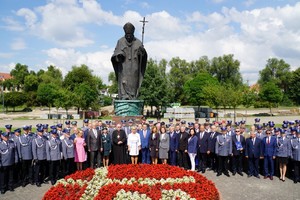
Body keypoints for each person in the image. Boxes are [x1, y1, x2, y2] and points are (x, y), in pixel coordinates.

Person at [111, 22, 147, 100]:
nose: (128, 36)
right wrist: (118, 56)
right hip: (123, 67)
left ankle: (133, 97)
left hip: (134, 67)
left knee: (133, 83)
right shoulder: (120, 41)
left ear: (133, 33)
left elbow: (142, 57)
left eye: (130, 35)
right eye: (127, 35)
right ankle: (124, 96)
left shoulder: (138, 42)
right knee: (123, 82)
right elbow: (115, 53)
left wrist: (142, 52)